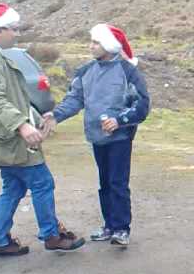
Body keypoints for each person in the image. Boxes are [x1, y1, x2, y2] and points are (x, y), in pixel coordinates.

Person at [0, 2, 85, 258]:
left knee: (13, 187)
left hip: (3, 137)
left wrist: (31, 117)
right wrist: (22, 126)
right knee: (43, 182)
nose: (16, 33)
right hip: (9, 138)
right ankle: (52, 235)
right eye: (12, 28)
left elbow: (10, 97)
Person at [42, 24, 150, 246]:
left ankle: (121, 229)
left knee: (117, 182)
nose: (91, 46)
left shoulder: (128, 71)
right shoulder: (85, 71)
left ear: (109, 45)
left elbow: (142, 104)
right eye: (91, 41)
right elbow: (75, 99)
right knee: (104, 183)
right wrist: (56, 115)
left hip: (120, 138)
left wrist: (119, 121)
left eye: (96, 42)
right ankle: (109, 226)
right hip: (96, 136)